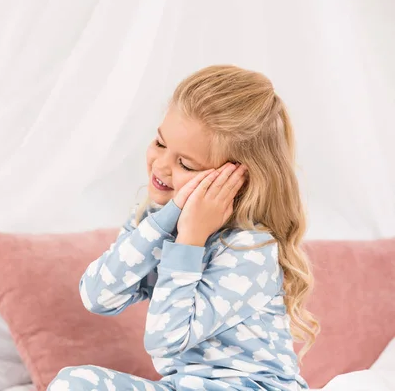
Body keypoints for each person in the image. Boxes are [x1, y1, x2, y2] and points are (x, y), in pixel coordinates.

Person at [48, 65, 319, 391]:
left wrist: (190, 241)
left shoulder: (251, 249)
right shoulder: (158, 225)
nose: (160, 166)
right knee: (73, 384)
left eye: (186, 164)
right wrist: (165, 218)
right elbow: (97, 295)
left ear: (233, 181)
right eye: (160, 144)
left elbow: (165, 340)